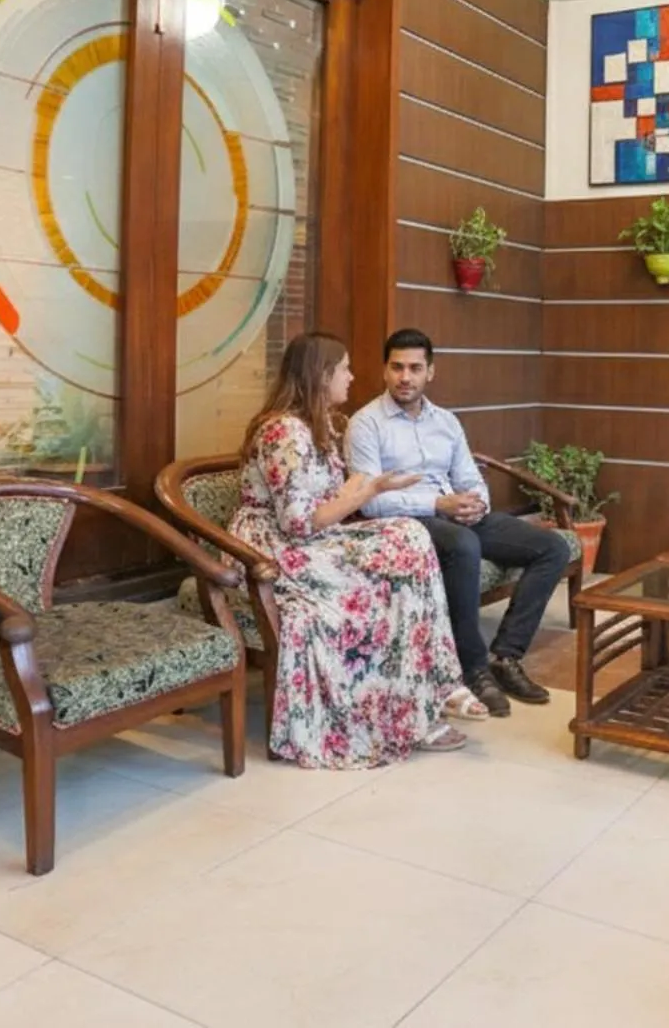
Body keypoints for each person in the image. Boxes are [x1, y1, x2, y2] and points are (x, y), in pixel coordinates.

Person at [232, 331, 481, 768]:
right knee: (392, 576)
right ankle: (415, 706)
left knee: (410, 535)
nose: (351, 376)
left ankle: (435, 686)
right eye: (344, 369)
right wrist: (370, 491)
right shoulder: (283, 432)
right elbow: (298, 522)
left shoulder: (320, 424)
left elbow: (333, 497)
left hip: (309, 539)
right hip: (271, 549)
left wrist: (375, 485)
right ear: (322, 374)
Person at [346, 328, 569, 717]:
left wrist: (475, 505)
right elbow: (371, 500)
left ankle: (506, 657)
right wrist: (438, 503)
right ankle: (472, 669)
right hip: (405, 524)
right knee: (464, 545)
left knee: (552, 547)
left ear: (430, 372)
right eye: (397, 367)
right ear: (384, 370)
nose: (405, 377)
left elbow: (470, 478)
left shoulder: (446, 422)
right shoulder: (366, 424)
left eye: (415, 368)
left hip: (454, 514)